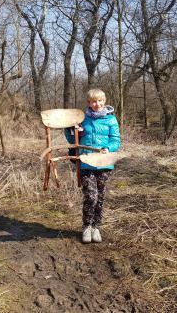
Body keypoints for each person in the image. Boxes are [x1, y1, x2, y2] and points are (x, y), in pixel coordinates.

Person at [65, 89, 121, 243]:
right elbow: (72, 138)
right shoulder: (82, 119)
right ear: (89, 103)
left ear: (104, 101)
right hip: (86, 162)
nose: (98, 104)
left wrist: (109, 148)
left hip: (104, 163)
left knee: (100, 197)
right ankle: (86, 227)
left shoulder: (111, 119)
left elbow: (116, 140)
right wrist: (70, 129)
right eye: (94, 101)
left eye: (100, 101)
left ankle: (96, 227)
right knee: (91, 196)